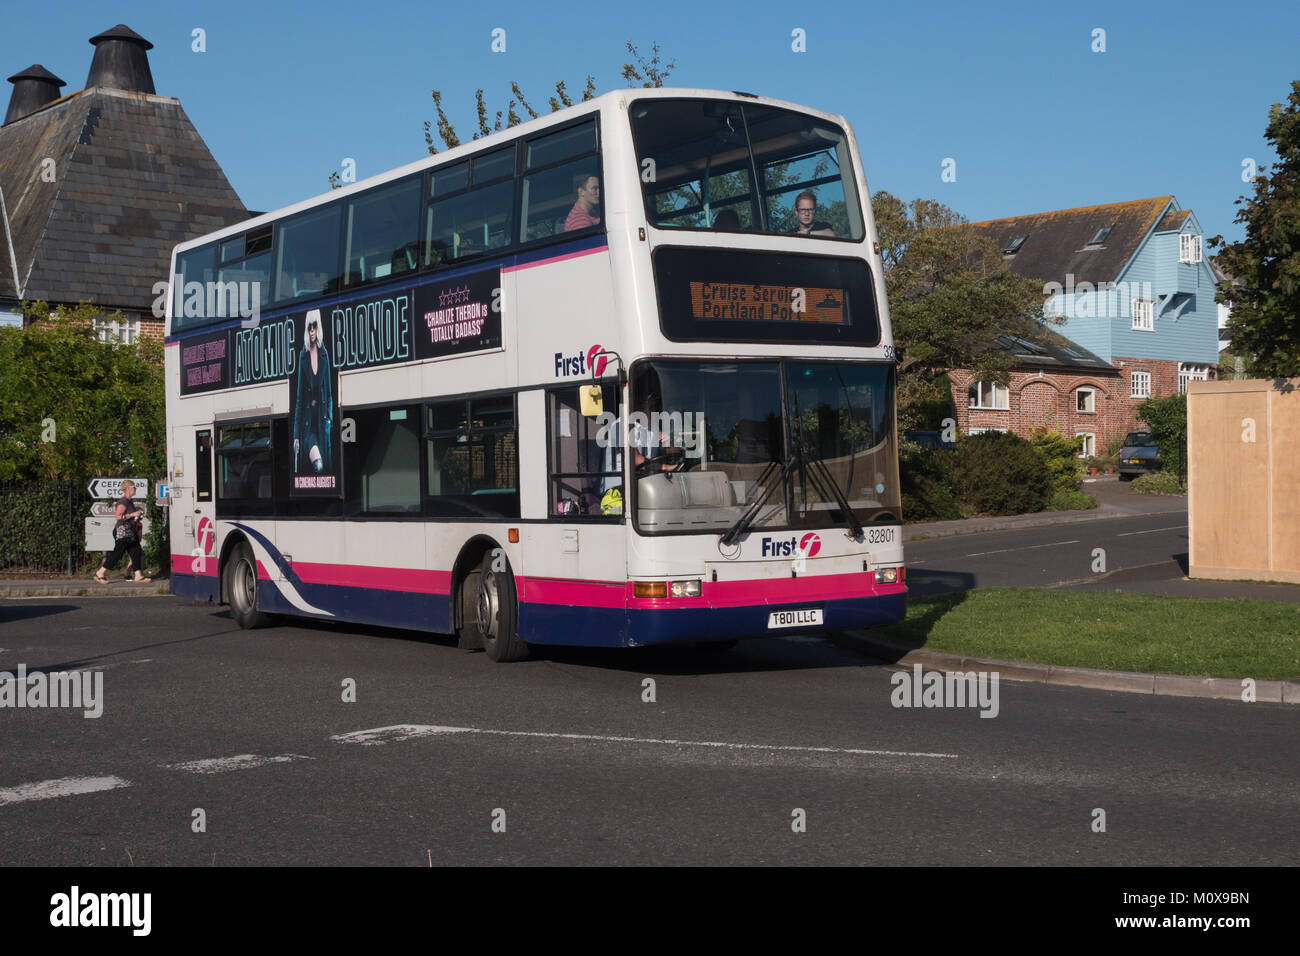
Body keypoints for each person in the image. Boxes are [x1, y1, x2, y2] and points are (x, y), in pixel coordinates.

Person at [294, 309, 334, 475]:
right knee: (318, 464)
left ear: (319, 328)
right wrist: (296, 434)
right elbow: (299, 399)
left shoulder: (325, 355)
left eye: (314, 326)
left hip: (322, 422)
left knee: (327, 469)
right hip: (308, 424)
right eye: (309, 327)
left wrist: (329, 420)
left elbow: (330, 394)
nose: (312, 331)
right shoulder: (302, 356)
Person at [94, 480, 150, 583]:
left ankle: (138, 575)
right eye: (134, 487)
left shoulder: (129, 501)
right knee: (117, 554)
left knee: (135, 551)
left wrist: (140, 516)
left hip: (130, 532)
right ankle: (100, 573)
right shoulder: (123, 501)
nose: (135, 489)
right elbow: (118, 516)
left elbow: (131, 519)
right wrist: (133, 515)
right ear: (128, 488)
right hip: (123, 531)